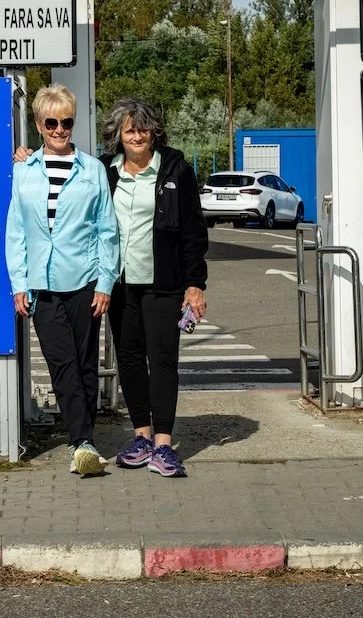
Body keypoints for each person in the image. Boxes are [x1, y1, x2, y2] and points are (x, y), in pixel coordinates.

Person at [5, 85, 120, 477]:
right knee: (62, 363)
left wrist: (105, 282)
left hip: (85, 280)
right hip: (42, 283)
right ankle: (81, 441)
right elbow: (16, 231)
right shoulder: (24, 171)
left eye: (66, 122)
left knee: (86, 365)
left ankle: (83, 439)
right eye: (51, 122)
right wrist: (19, 282)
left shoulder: (93, 170)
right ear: (39, 124)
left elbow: (107, 231)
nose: (59, 129)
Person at [101, 98, 208, 478]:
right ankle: (141, 437)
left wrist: (195, 284)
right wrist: (27, 156)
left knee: (162, 361)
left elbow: (194, 231)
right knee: (128, 360)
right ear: (118, 133)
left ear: (154, 132)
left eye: (143, 128)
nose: (136, 135)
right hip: (119, 284)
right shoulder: (105, 171)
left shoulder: (176, 169)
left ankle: (163, 445)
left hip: (164, 284)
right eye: (129, 129)